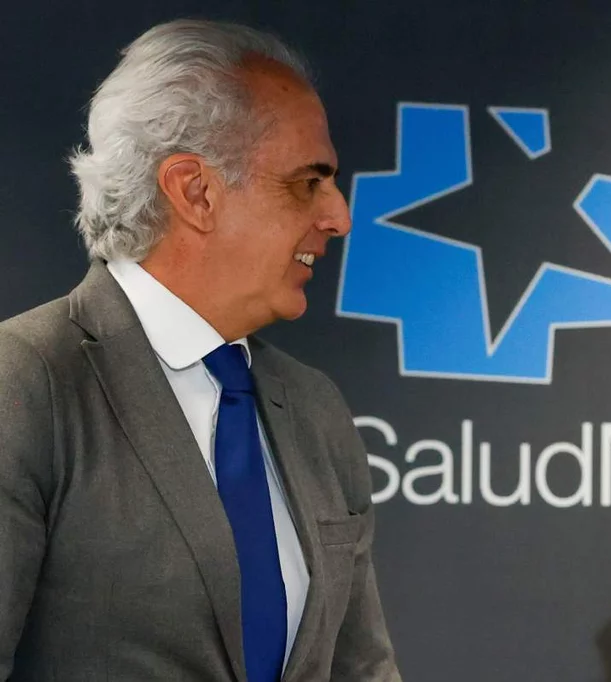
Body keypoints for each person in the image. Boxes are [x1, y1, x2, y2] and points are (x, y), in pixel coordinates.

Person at [0, 19, 401, 681]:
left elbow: (362, 668)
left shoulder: (314, 409)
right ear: (195, 191)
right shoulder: (26, 381)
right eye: (308, 181)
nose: (339, 215)